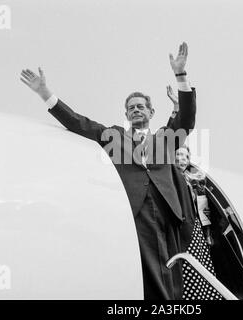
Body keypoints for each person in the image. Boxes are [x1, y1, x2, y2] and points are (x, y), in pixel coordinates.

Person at [20, 42, 196, 300]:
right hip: (134, 211)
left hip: (169, 212)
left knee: (173, 278)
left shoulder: (165, 138)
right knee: (143, 272)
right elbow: (77, 122)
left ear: (151, 112)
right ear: (126, 114)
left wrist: (181, 75)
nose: (136, 109)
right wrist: (45, 92)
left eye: (141, 106)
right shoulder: (113, 135)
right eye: (131, 107)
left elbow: (187, 118)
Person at [166, 86, 223, 300]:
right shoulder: (172, 177)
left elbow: (204, 210)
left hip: (197, 228)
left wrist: (208, 232)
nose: (181, 159)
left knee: (203, 265)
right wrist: (176, 109)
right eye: (178, 155)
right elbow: (175, 130)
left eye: (184, 156)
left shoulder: (196, 182)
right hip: (181, 228)